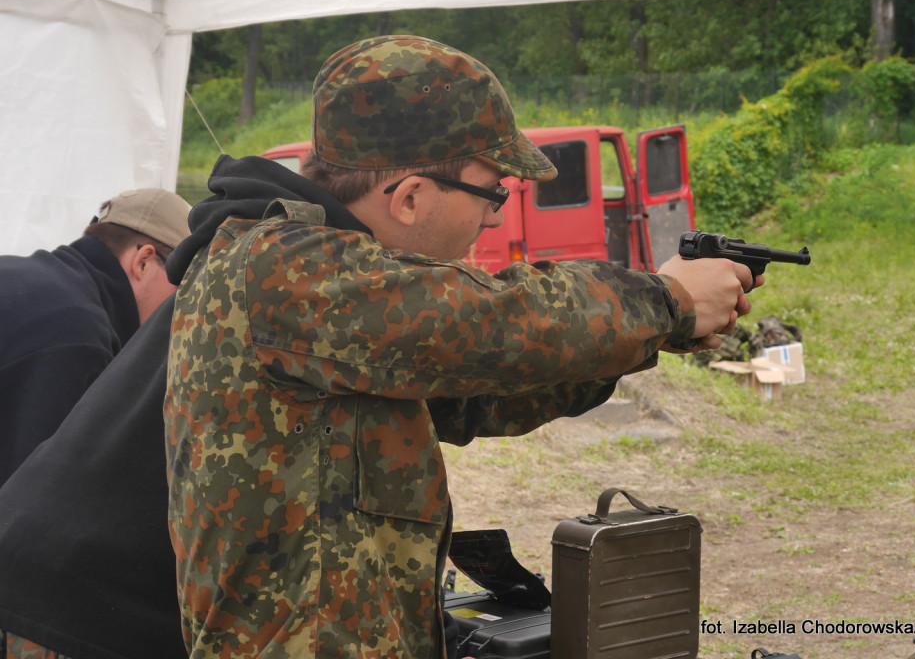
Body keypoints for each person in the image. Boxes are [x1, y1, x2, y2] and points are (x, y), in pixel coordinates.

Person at [165, 34, 760, 659]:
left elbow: (475, 392)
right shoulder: (283, 269)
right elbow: (501, 320)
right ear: (411, 196)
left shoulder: (311, 282)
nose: (498, 216)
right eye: (493, 190)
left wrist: (661, 331)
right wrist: (665, 301)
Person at [0, 187, 191, 483]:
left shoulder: (28, 276)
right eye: (185, 291)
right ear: (143, 261)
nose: (184, 313)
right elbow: (27, 495)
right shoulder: (80, 336)